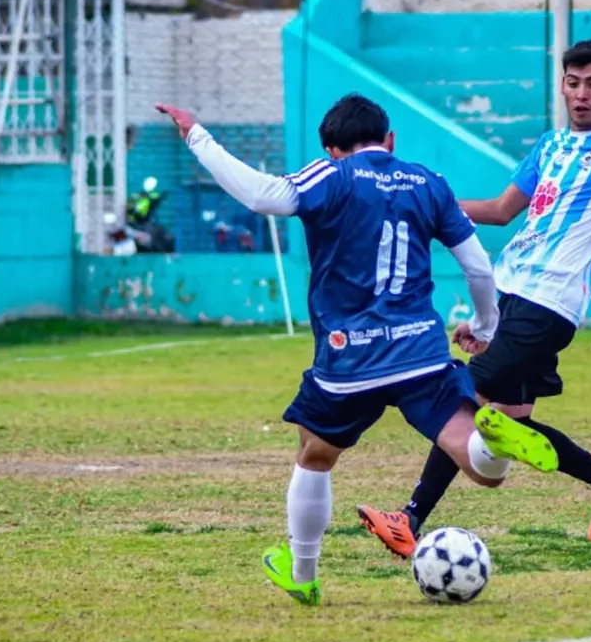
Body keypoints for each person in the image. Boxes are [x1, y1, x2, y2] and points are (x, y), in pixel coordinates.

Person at [156, 94, 561, 606]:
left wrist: (198, 136)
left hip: (350, 359)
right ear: (390, 141)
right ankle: (495, 438)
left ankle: (303, 573)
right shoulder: (427, 182)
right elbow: (480, 268)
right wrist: (485, 324)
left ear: (330, 149)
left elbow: (263, 196)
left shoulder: (333, 175)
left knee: (315, 452)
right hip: (420, 351)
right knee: (483, 470)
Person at [356, 39, 591, 558]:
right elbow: (500, 210)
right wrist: (430, 206)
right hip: (511, 292)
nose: (581, 94)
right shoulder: (549, 147)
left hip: (552, 301)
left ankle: (409, 520)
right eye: (572, 83)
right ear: (562, 85)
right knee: (510, 421)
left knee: (462, 399)